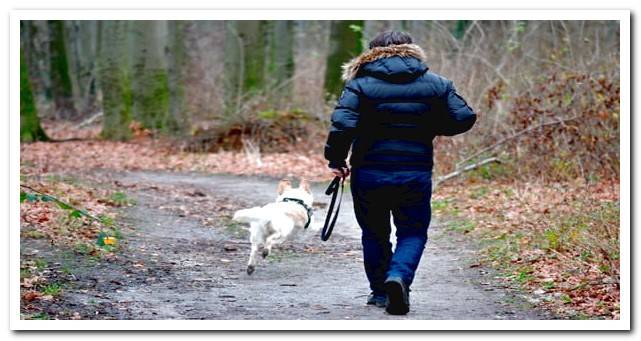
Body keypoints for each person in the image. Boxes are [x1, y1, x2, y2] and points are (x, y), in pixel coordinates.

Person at [324, 31, 476, 315]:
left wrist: (336, 159)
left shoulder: (359, 85)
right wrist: (429, 125)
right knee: (413, 232)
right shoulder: (437, 84)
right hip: (414, 172)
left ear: (371, 53)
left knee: (374, 232)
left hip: (369, 173)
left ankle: (381, 292)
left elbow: (343, 125)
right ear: (412, 50)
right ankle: (399, 276)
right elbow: (464, 117)